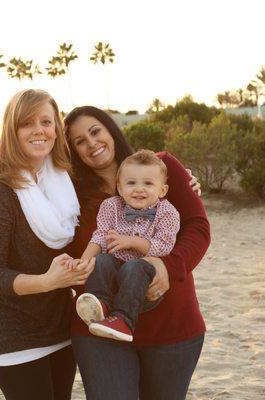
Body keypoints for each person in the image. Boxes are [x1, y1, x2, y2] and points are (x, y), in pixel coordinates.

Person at [64, 106, 210, 400]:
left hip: (171, 326)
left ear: (111, 130)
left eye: (95, 131)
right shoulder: (69, 193)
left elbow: (198, 229)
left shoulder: (162, 168)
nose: (91, 143)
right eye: (79, 141)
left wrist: (167, 267)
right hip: (97, 331)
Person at [0, 89, 95, 400]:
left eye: (47, 121)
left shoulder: (64, 181)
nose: (39, 130)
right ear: (12, 131)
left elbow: (122, 184)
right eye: (28, 123)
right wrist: (47, 282)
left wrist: (180, 183)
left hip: (59, 327)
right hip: (12, 335)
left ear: (57, 128)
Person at [73, 149, 180, 343]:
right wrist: (84, 260)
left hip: (142, 285)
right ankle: (100, 305)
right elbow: (100, 236)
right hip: (114, 276)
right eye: (131, 183)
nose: (139, 189)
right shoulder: (110, 206)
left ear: (162, 190)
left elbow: (164, 246)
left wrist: (131, 241)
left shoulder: (168, 212)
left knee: (135, 266)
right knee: (102, 260)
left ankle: (123, 320)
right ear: (120, 188)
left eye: (148, 183)